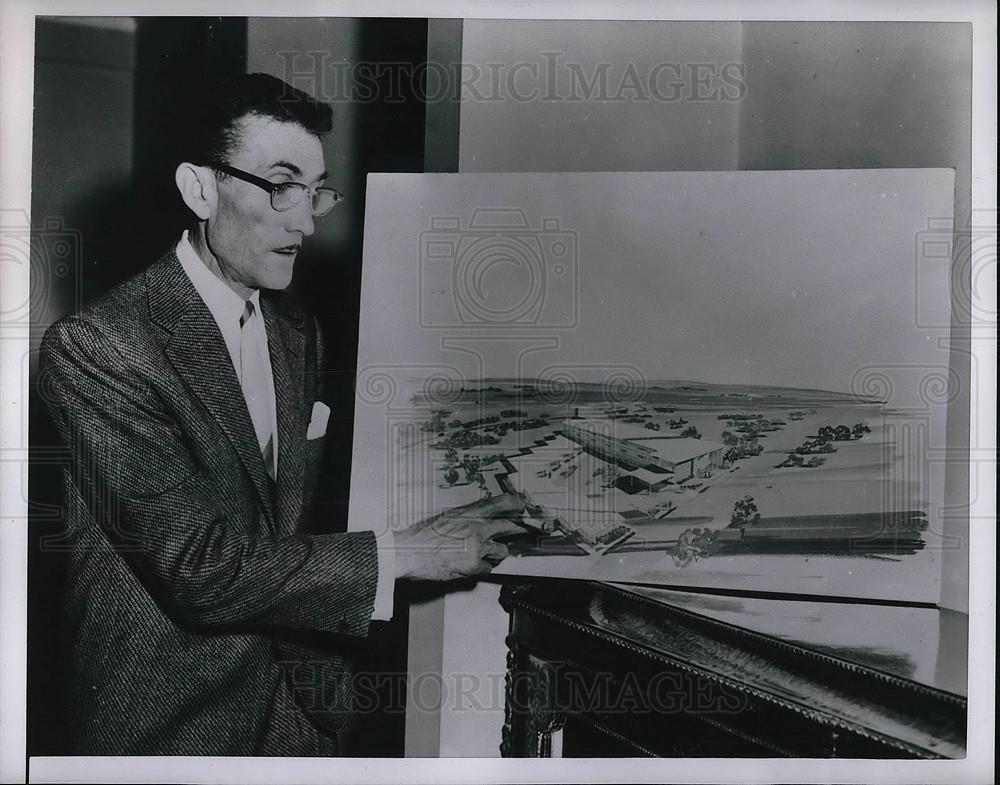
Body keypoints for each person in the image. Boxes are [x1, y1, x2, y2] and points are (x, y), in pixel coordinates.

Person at [38, 72, 524, 756]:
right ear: (200, 188)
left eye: (317, 189)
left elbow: (290, 520)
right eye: (281, 185)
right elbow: (201, 569)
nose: (306, 219)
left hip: (298, 720)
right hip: (168, 734)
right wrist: (414, 550)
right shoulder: (98, 347)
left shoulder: (297, 330)